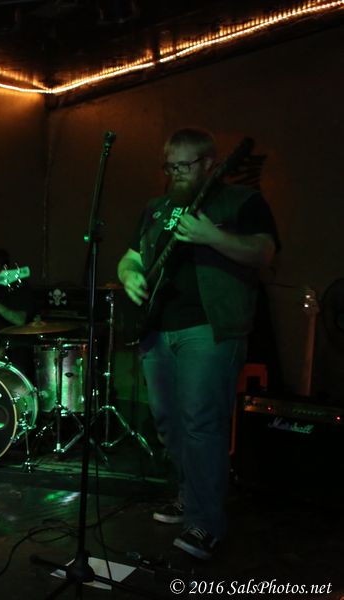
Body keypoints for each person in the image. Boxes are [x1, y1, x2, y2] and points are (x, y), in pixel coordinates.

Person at [117, 128, 278, 560]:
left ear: (209, 163)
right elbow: (130, 257)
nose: (175, 174)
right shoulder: (156, 208)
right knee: (168, 422)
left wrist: (213, 237)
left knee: (202, 424)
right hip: (157, 330)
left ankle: (206, 523)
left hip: (209, 328)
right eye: (169, 166)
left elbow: (264, 252)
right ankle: (189, 496)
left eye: (184, 166)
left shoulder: (241, 201)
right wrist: (131, 275)